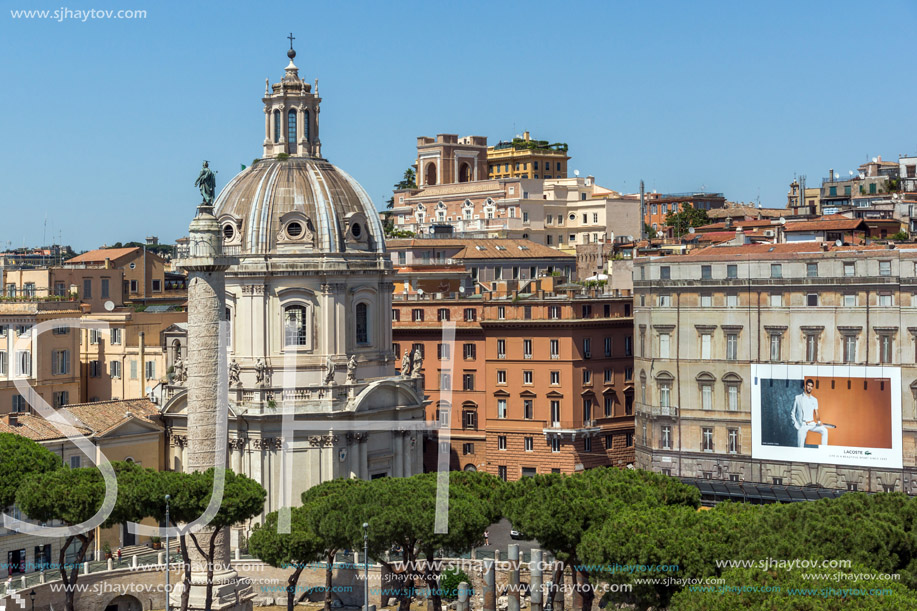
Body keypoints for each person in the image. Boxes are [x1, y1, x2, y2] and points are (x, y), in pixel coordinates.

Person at [791, 379, 829, 447]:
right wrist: (795, 424)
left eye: (811, 386)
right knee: (800, 447)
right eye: (808, 385)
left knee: (824, 431)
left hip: (812, 424)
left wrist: (819, 422)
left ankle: (824, 451)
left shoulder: (814, 400)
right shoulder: (798, 398)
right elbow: (792, 412)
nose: (809, 387)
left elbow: (816, 413)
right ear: (804, 386)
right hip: (802, 425)